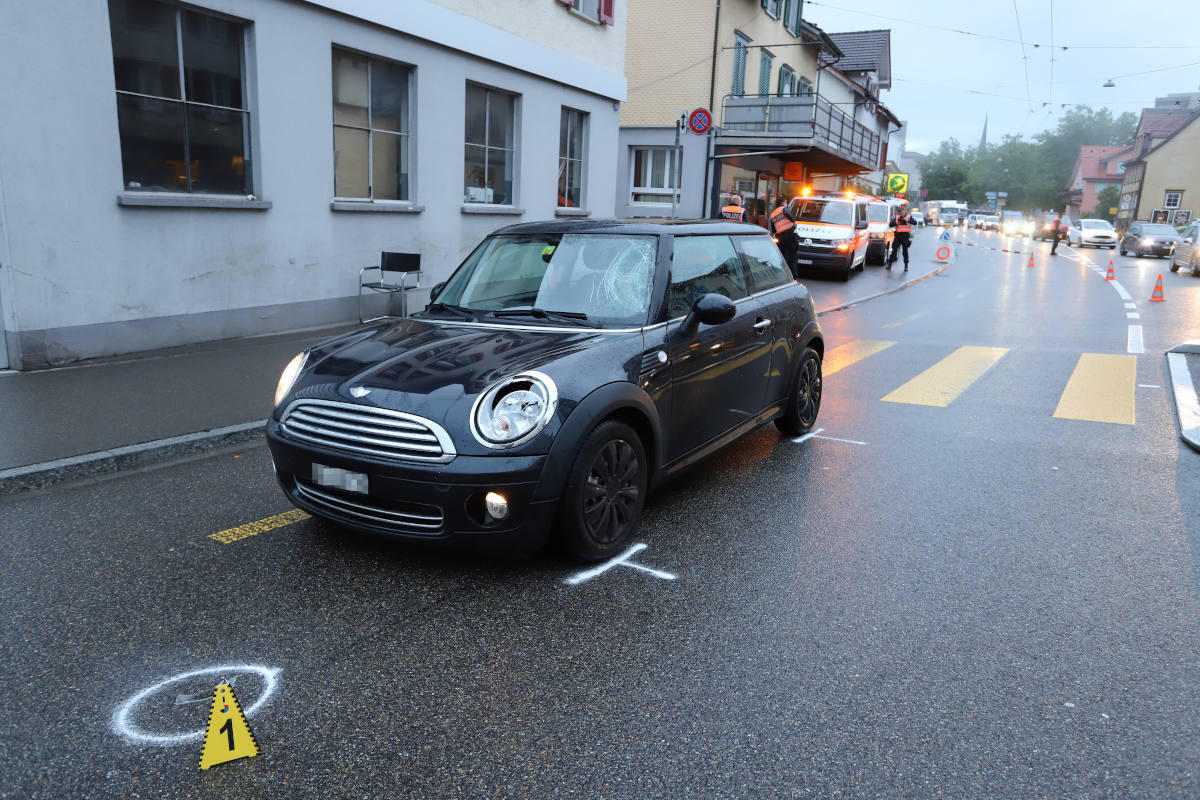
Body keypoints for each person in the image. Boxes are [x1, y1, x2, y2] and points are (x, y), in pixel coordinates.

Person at [770, 197, 799, 278]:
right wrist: (793, 221)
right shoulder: (784, 208)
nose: (786, 204)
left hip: (780, 237)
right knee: (792, 256)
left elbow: (773, 229)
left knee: (782, 257)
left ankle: (784, 275)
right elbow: (787, 213)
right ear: (783, 202)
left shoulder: (773, 214)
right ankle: (793, 275)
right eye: (786, 202)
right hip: (789, 235)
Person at [887, 204, 914, 271]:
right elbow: (890, 225)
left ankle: (906, 266)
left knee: (905, 251)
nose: (901, 213)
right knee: (894, 251)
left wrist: (907, 221)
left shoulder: (909, 217)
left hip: (905, 236)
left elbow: (915, 222)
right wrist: (896, 223)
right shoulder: (897, 217)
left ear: (905, 211)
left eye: (902, 211)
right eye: (900, 211)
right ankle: (889, 265)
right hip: (898, 236)